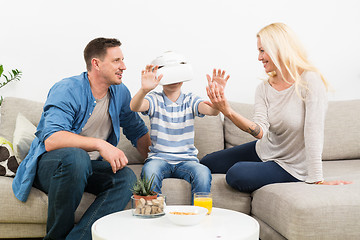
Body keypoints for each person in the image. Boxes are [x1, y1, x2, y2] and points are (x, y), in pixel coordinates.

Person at [12, 38, 151, 240]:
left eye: (122, 60)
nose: (124, 66)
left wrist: (157, 158)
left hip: (87, 168)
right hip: (53, 167)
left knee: (126, 177)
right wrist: (100, 144)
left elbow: (136, 130)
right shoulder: (67, 89)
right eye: (116, 61)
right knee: (77, 158)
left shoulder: (120, 92)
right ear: (96, 63)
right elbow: (52, 139)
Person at [201, 22, 351, 193]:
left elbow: (314, 132)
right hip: (265, 149)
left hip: (291, 166)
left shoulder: (310, 80)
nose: (259, 57)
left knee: (237, 173)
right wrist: (226, 110)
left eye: (262, 50)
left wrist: (317, 178)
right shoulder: (264, 88)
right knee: (207, 163)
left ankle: (283, 175)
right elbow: (260, 131)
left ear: (278, 49)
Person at [130, 51, 229, 201]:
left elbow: (212, 112)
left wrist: (217, 96)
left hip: (187, 160)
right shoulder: (154, 100)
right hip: (159, 159)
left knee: (203, 172)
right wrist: (144, 90)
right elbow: (135, 106)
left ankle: (200, 214)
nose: (174, 79)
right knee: (150, 171)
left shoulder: (191, 100)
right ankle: (153, 213)